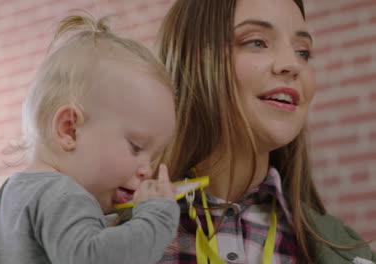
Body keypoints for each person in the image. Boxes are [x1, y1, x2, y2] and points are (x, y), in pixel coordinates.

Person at [0, 14, 180, 264]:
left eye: (154, 156)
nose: (148, 169)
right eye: (136, 147)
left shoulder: (2, 200)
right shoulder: (65, 196)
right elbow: (94, 258)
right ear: (70, 129)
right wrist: (156, 215)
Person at [154, 0, 375, 263]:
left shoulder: (350, 252)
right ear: (193, 58)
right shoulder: (108, 232)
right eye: (257, 42)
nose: (292, 64)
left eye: (303, 52)